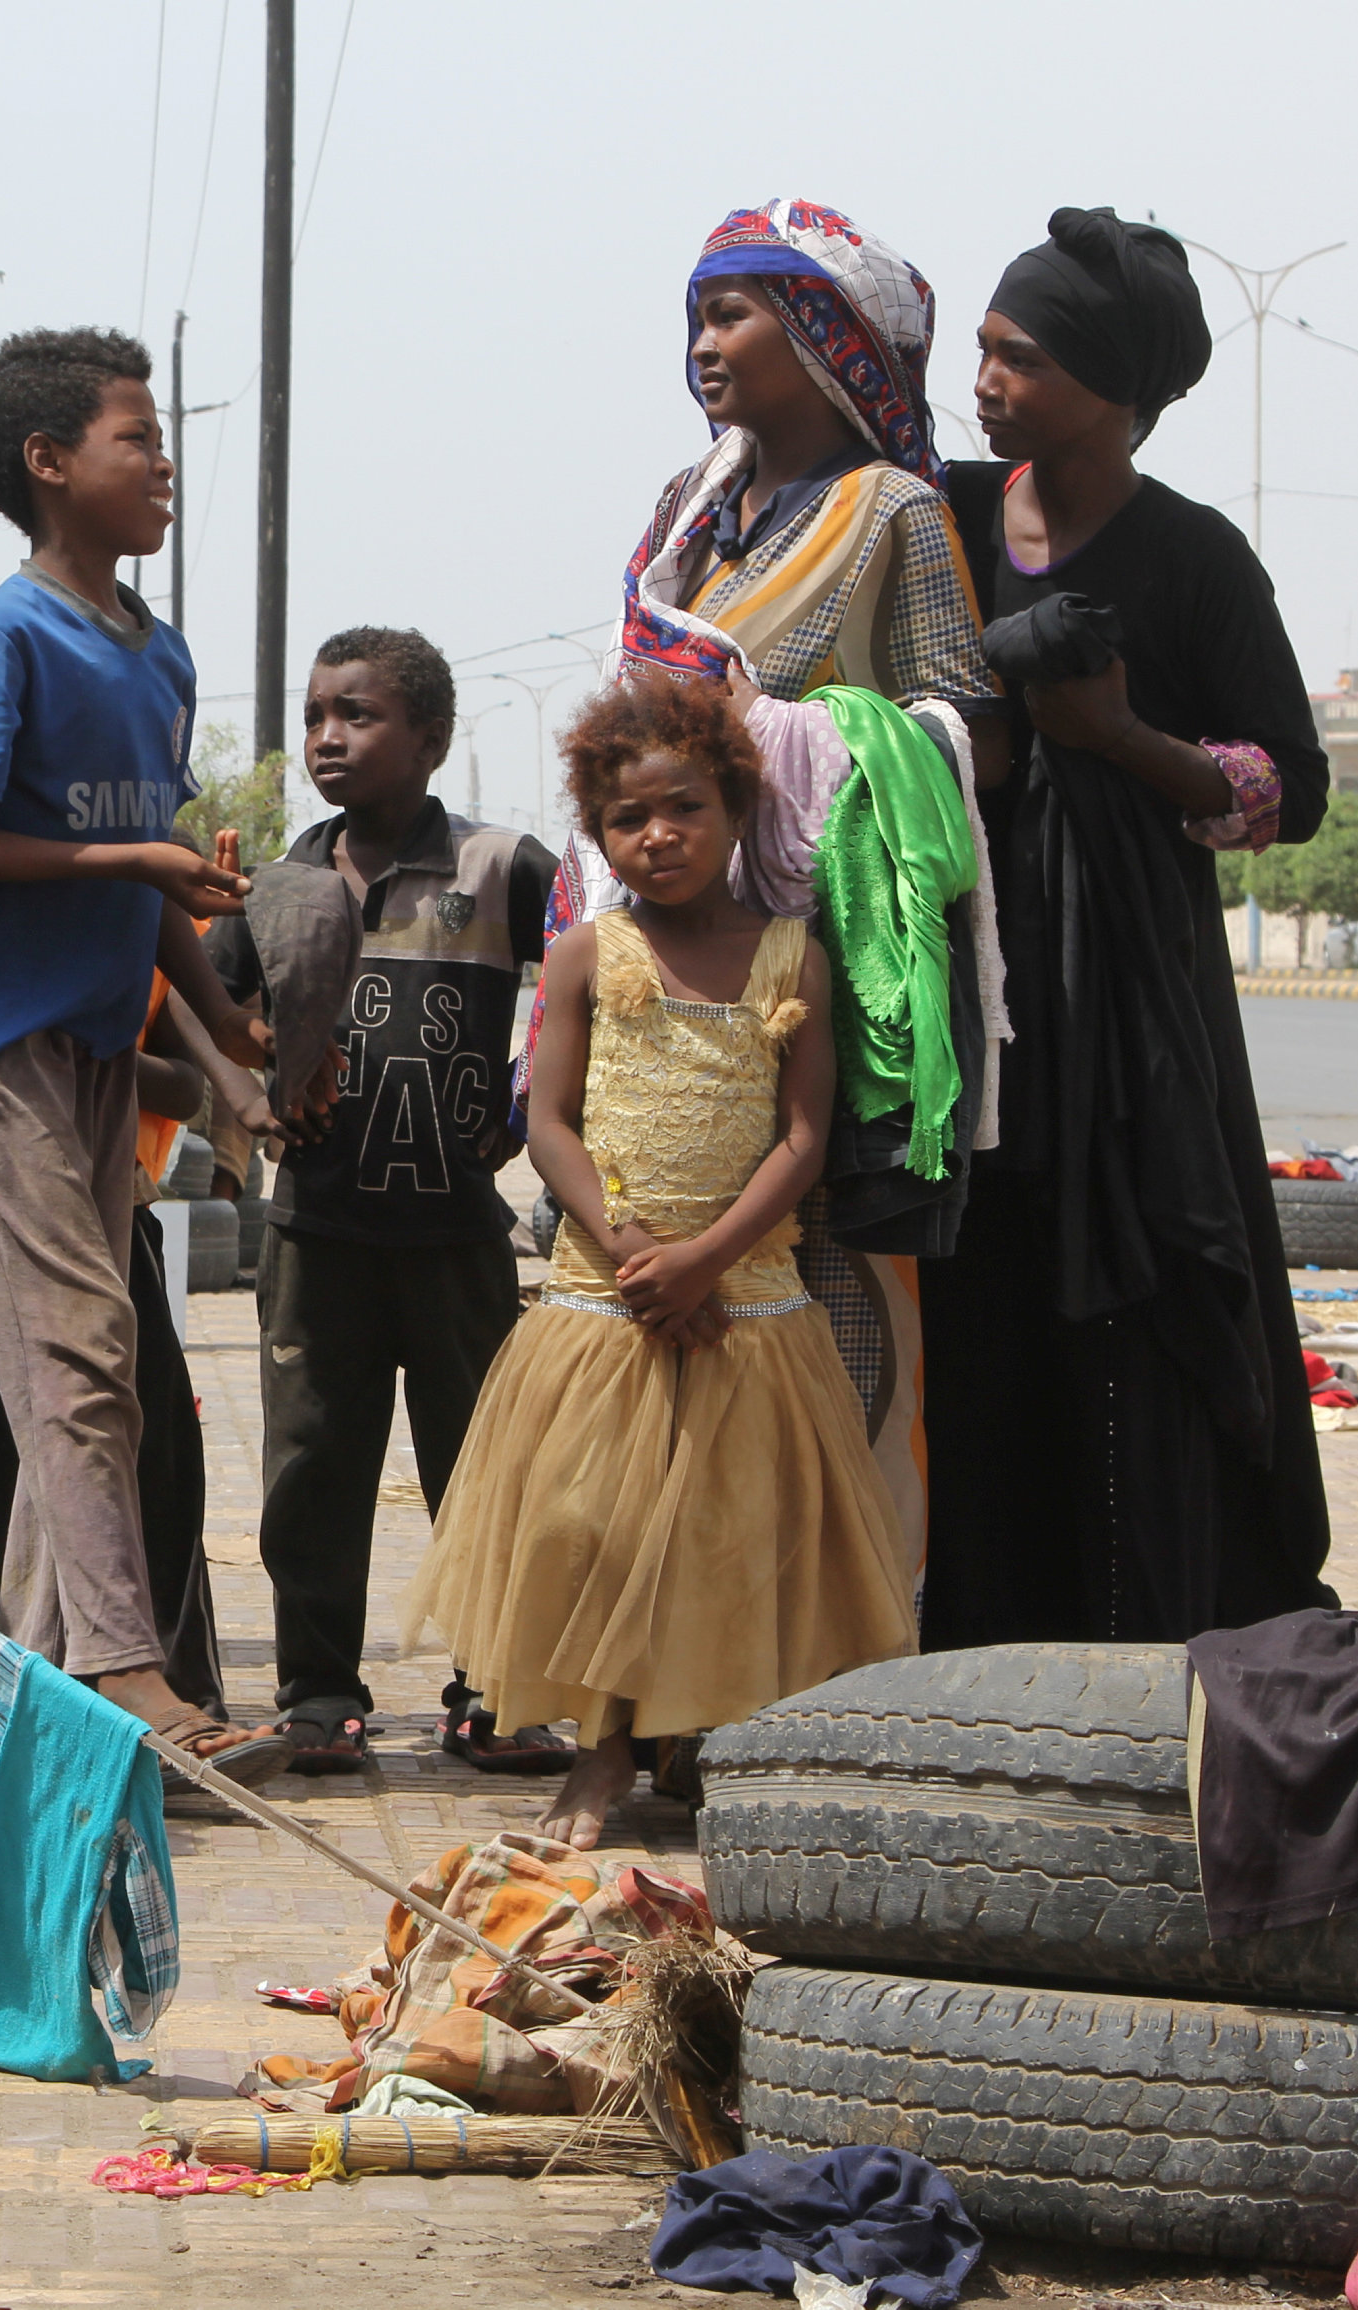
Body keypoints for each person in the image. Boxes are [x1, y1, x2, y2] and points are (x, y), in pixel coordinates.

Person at [548, 195, 1003, 1568]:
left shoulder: (894, 513)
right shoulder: (689, 517)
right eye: (696, 313)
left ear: (825, 337)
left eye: (735, 311)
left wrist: (797, 735)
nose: (705, 341)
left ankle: (837, 1640)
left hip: (823, 963)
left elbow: (958, 713)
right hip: (668, 961)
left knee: (831, 1293)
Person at [916, 207, 1333, 1647]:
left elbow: (1294, 787)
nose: (984, 381)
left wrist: (1119, 736)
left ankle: (1149, 1631)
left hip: (1129, 1017)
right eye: (981, 349)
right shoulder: (943, 517)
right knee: (971, 1310)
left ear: (1111, 386)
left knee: (1135, 1310)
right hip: (956, 989)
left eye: (1016, 357)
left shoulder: (1196, 560)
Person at [405, 668, 910, 1848]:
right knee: (588, 1529)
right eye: (628, 818)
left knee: (728, 1537)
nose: (658, 834)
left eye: (683, 806)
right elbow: (547, 1121)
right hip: (605, 1299)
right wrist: (637, 1252)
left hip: (745, 1308)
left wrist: (708, 1260)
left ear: (736, 809)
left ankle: (709, 1750)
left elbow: (802, 1136)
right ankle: (601, 1751)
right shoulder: (587, 953)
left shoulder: (794, 958)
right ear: (599, 835)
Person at [0, 325, 285, 1779]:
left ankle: (46, 1701)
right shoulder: (1, 635)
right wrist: (127, 851)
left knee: (87, 1356)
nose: (163, 460)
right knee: (77, 1357)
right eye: (137, 437)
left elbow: (149, 874)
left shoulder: (156, 653)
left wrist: (226, 1034)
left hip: (103, 1041)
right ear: (50, 466)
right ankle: (125, 1669)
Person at [206, 627, 561, 1774]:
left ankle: (493, 1691)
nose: (325, 738)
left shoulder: (502, 866)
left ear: (431, 737)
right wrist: (245, 1093)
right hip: (316, 1235)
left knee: (483, 1471)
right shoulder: (275, 884)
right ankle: (317, 1694)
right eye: (314, 716)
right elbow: (195, 1017)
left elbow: (589, 995)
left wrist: (525, 1109)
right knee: (310, 1470)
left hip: (456, 1237)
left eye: (356, 716)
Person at [0, 984, 253, 1716]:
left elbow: (185, 1084)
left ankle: (181, 1695)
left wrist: (90, 1052)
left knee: (147, 1457)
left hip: (114, 1212)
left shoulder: (126, 948)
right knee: (2, 1464)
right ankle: (33, 1697)